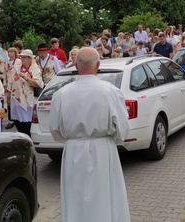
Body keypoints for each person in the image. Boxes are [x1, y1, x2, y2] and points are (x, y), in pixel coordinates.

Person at [49, 47, 131, 222]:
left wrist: (74, 139)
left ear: (76, 66)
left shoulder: (61, 94)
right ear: (98, 65)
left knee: (75, 199)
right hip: (103, 149)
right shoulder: (110, 91)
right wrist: (112, 139)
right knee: (107, 197)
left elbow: (55, 130)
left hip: (73, 152)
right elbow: (123, 127)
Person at [8, 49, 43, 137]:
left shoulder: (35, 68)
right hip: (17, 97)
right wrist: (8, 95)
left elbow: (38, 84)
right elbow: (10, 80)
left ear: (30, 58)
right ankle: (23, 137)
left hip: (29, 99)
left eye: (24, 57)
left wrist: (26, 78)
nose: (22, 59)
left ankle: (28, 137)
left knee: (27, 122)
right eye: (21, 57)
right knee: (17, 120)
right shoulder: (17, 67)